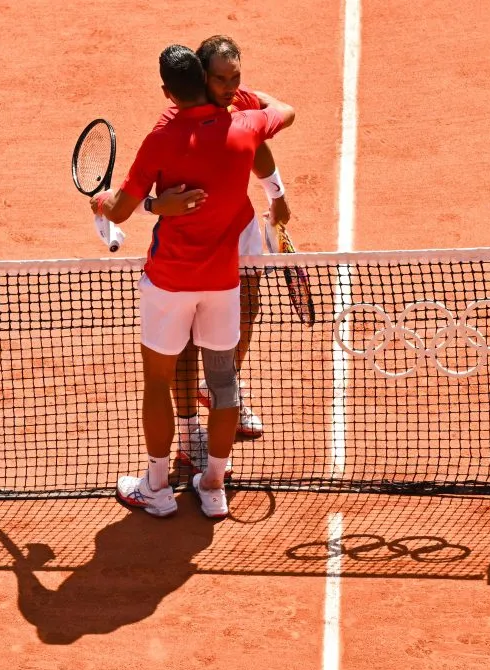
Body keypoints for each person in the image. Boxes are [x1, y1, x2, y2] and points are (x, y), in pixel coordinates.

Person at [91, 45, 295, 519]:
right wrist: (249, 98)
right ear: (205, 78)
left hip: (168, 283)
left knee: (157, 381)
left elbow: (119, 209)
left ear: (167, 91)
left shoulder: (160, 138)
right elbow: (283, 111)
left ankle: (158, 489)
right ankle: (214, 487)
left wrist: (108, 204)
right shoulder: (245, 127)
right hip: (222, 283)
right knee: (223, 384)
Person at [145, 36, 294, 470]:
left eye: (236, 77)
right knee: (189, 341)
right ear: (200, 77)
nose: (231, 87)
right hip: (192, 245)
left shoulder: (238, 102)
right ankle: (190, 428)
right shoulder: (173, 123)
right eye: (221, 79)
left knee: (246, 310)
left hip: (240, 226)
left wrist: (276, 192)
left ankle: (223, 388)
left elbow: (256, 139)